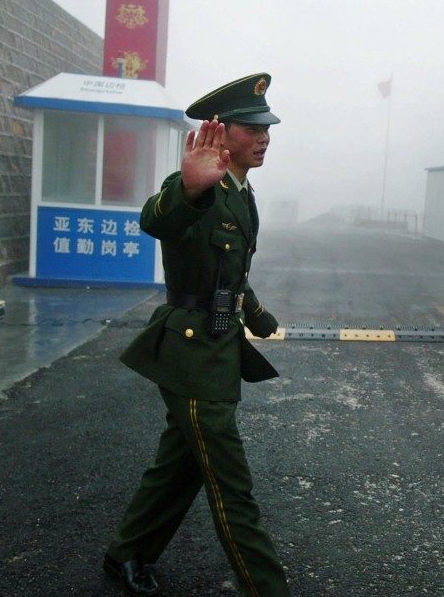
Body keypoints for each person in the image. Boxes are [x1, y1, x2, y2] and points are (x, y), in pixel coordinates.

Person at [103, 73, 290, 596]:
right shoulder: (198, 185)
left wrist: (257, 314)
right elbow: (156, 220)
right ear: (220, 131)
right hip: (189, 351)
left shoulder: (241, 191)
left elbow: (230, 270)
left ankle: (127, 554)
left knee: (181, 465)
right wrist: (187, 188)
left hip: (219, 343)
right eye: (251, 127)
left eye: (267, 127)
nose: (264, 136)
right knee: (232, 486)